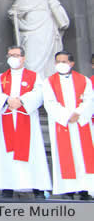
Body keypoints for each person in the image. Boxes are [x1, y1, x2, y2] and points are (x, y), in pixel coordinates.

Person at [0, 45, 51, 198]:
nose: (13, 58)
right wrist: (7, 100)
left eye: (16, 55)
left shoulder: (34, 76)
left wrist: (22, 100)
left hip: (27, 119)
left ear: (23, 58)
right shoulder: (0, 78)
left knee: (32, 152)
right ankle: (7, 187)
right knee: (7, 154)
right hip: (8, 118)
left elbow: (39, 93)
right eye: (10, 55)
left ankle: (37, 187)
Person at [43, 51, 94, 200]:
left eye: (64, 61)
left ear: (72, 63)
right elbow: (50, 103)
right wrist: (66, 115)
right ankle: (68, 190)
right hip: (62, 125)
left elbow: (90, 100)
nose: (61, 64)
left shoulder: (84, 80)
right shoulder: (49, 82)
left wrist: (78, 113)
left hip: (81, 124)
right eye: (58, 61)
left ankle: (85, 189)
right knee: (66, 156)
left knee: (83, 157)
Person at [8, 0, 69, 79]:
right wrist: (13, 14)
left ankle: (48, 77)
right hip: (29, 28)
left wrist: (62, 21)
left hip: (46, 26)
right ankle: (33, 79)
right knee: (31, 55)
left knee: (48, 55)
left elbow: (55, 6)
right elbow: (15, 9)